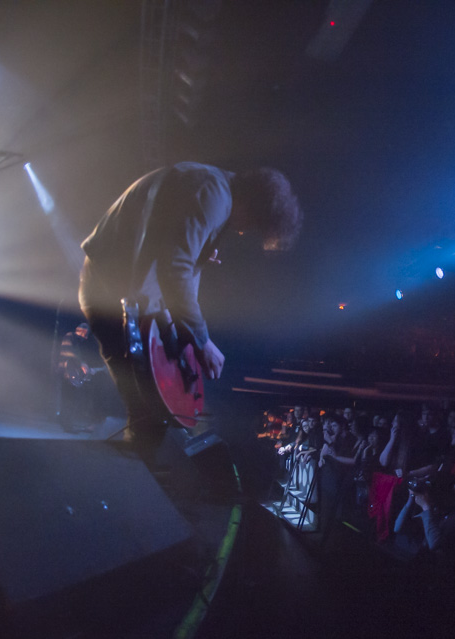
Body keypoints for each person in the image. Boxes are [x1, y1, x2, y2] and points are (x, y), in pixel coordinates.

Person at [78, 162, 302, 456]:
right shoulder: (214, 195)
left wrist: (198, 254)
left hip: (121, 286)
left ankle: (135, 460)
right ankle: (125, 470)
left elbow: (169, 243)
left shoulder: (213, 186)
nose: (243, 230)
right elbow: (177, 268)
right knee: (147, 401)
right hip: (109, 285)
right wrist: (202, 341)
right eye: (250, 225)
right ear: (250, 205)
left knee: (151, 402)